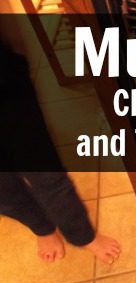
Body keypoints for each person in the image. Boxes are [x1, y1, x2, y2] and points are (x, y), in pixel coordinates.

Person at [0, 43, 120, 265]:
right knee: (4, 192)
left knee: (45, 173)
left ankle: (83, 235)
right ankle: (42, 228)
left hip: (4, 88)